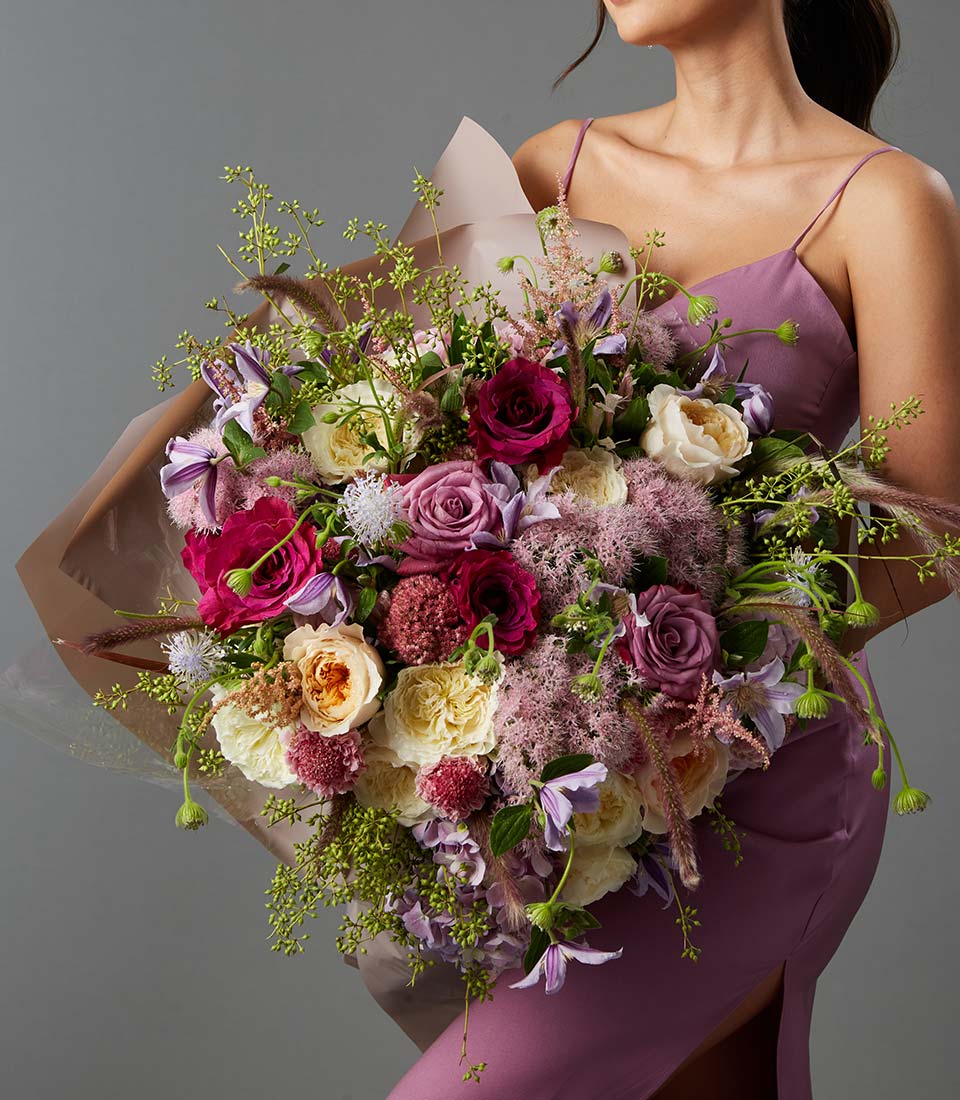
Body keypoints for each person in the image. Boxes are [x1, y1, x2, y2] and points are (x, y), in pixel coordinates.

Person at [386, 2, 960, 1097]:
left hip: (763, 760)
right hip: (567, 767)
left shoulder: (886, 201)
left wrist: (700, 669)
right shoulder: (553, 165)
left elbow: (934, 526)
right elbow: (413, 438)